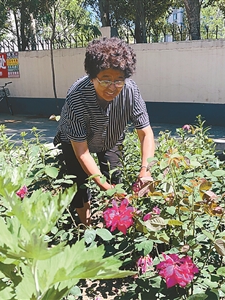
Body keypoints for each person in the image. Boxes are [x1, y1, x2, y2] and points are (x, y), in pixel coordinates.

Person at [54, 37, 155, 226]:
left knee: (115, 178)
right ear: (92, 77)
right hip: (76, 143)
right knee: (80, 185)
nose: (112, 87)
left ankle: (116, 225)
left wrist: (145, 171)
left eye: (119, 80)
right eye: (105, 80)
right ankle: (86, 227)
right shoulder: (77, 98)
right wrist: (104, 186)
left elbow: (146, 133)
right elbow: (82, 152)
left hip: (110, 138)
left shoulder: (131, 91)